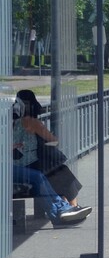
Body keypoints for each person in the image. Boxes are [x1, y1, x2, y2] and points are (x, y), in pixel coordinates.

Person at [12, 89, 91, 222]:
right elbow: (53, 140)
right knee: (60, 171)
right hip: (32, 163)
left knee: (58, 171)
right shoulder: (32, 122)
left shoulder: (16, 122)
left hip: (21, 163)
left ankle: (68, 208)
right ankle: (72, 207)